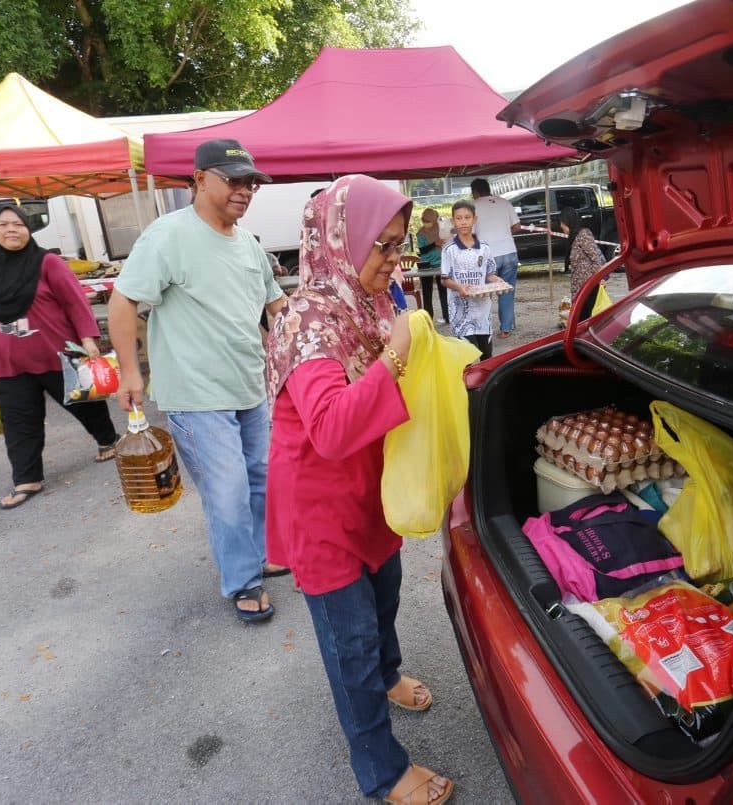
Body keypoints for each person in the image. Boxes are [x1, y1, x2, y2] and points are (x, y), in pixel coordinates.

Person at [264, 174, 454, 805]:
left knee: (384, 598)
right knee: (351, 643)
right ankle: (382, 771)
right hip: (321, 508)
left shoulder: (370, 300)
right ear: (341, 240)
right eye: (383, 244)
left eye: (400, 243)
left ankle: (390, 674)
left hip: (373, 490)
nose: (395, 257)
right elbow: (331, 427)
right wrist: (394, 358)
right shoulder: (305, 320)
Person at [108, 138, 287, 624]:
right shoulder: (168, 236)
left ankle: (260, 554)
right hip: (195, 394)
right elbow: (123, 302)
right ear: (200, 179)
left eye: (251, 183)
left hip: (249, 387)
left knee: (261, 479)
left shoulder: (248, 245)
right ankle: (243, 581)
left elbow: (276, 305)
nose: (245, 191)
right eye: (234, 180)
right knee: (227, 492)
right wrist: (129, 371)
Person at [0, 204, 119, 510]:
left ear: (28, 228)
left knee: (84, 404)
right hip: (6, 361)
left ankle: (108, 440)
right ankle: (27, 479)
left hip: (54, 352)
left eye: (17, 224)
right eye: (3, 225)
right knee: (18, 421)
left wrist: (88, 340)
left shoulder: (48, 262)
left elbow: (74, 301)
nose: (11, 230)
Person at [441, 200, 500, 359]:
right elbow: (444, 280)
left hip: (483, 313)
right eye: (459, 218)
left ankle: (485, 377)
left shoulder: (484, 248)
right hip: (460, 314)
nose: (463, 222)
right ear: (453, 221)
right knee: (466, 359)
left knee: (486, 356)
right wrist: (459, 287)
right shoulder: (449, 249)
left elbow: (489, 274)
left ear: (475, 219)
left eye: (467, 217)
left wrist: (498, 282)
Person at [470, 177, 520, 338]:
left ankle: (484, 329)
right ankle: (506, 329)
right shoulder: (504, 202)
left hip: (487, 255)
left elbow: (470, 233)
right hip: (509, 252)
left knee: (484, 294)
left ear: (475, 192)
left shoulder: (473, 207)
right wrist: (503, 233)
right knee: (507, 292)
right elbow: (517, 226)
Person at [561, 206, 606, 305]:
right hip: (580, 288)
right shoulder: (574, 238)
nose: (561, 226)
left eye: (562, 223)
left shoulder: (583, 235)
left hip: (588, 287)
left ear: (568, 222)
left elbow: (595, 258)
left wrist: (598, 278)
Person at [414, 208, 448, 323]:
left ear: (434, 220)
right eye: (424, 221)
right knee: (427, 293)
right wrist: (434, 244)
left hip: (440, 264)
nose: (426, 223)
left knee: (444, 291)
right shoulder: (421, 233)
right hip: (426, 266)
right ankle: (428, 318)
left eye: (428, 221)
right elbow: (422, 251)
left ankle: (447, 316)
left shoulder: (440, 230)